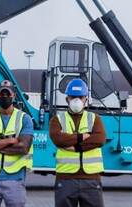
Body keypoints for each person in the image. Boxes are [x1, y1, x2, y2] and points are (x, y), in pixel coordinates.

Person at [49, 79, 106, 207]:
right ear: (67, 99)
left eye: (80, 97)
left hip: (91, 179)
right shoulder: (57, 119)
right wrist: (82, 137)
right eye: (73, 97)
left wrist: (75, 147)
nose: (77, 100)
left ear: (86, 99)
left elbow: (100, 139)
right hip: (65, 179)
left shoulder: (94, 118)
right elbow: (58, 139)